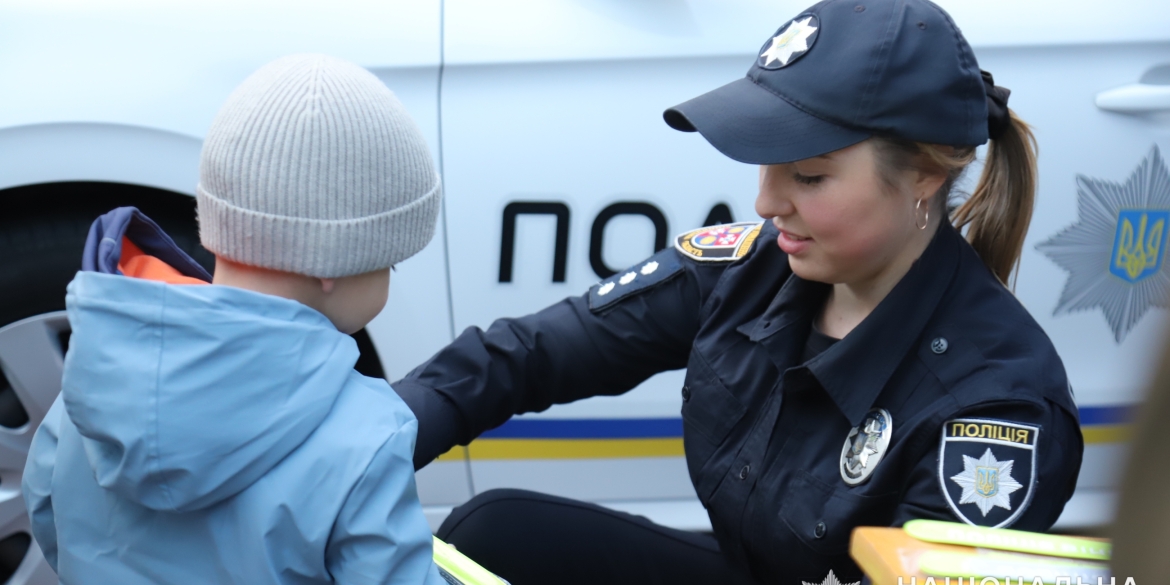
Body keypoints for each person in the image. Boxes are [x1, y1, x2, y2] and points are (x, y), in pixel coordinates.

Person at [391, 1, 1084, 584]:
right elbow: (526, 354)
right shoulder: (750, 269)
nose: (766, 202)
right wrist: (354, 444)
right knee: (494, 530)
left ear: (925, 176)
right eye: (765, 165)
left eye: (808, 177)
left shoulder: (998, 414)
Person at [21, 54, 445, 584]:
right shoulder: (365, 436)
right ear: (331, 263)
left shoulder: (97, 383)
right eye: (390, 261)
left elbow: (48, 513)